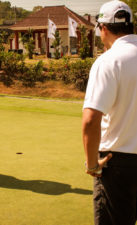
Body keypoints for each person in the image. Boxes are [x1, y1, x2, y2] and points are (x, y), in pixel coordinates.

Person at [82, 1, 137, 224]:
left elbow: (90, 120)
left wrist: (92, 164)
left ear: (103, 28)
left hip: (118, 163)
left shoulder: (108, 61)